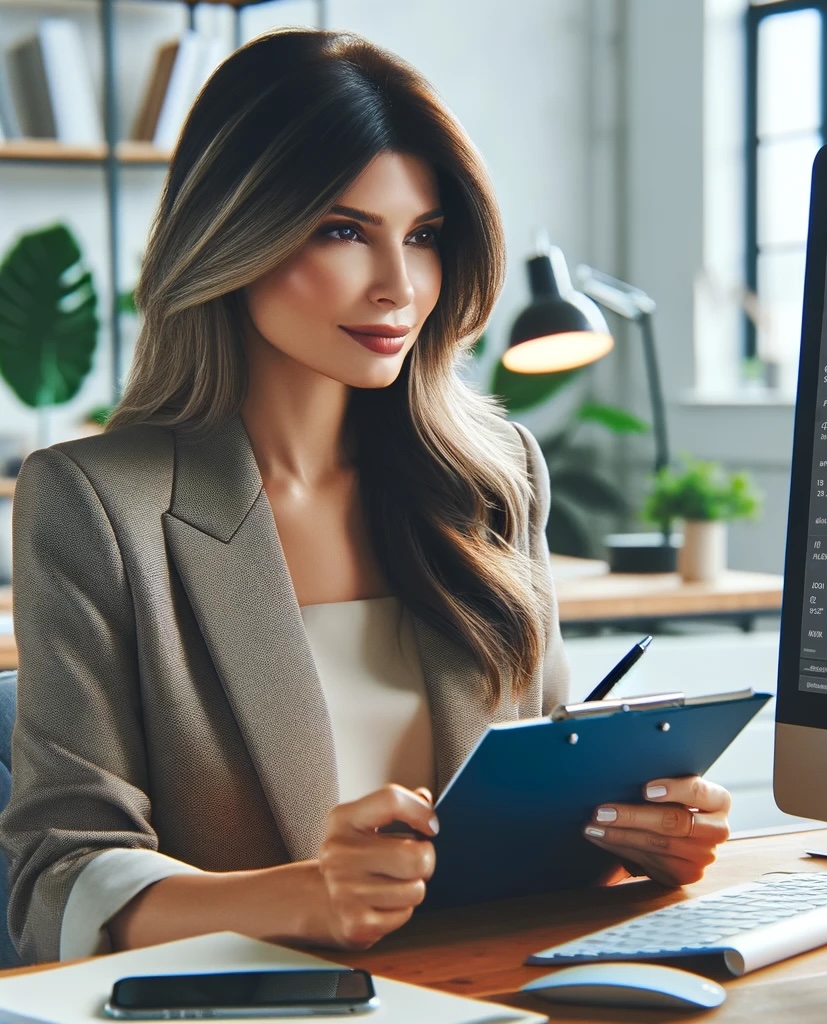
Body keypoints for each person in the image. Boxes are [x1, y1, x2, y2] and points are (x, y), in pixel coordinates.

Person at [0, 28, 731, 966]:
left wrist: (643, 837)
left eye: (423, 237)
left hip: (496, 986)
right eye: (343, 230)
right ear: (234, 236)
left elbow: (537, 813)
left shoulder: (493, 476)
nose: (399, 286)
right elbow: (58, 881)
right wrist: (302, 897)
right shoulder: (98, 505)